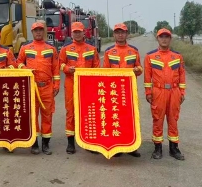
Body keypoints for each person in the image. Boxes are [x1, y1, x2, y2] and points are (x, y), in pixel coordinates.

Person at [16, 21, 60, 155]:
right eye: (36, 30)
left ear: (44, 31)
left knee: (47, 116)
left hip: (47, 87)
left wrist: (56, 85)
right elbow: (18, 62)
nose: (38, 32)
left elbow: (56, 68)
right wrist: (25, 68)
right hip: (32, 87)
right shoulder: (25, 48)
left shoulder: (51, 49)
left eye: (40, 30)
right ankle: (34, 143)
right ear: (32, 32)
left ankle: (45, 144)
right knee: (32, 116)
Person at [144, 28, 186, 160]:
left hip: (174, 91)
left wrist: (182, 92)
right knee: (158, 119)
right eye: (161, 37)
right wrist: (148, 92)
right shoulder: (150, 56)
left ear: (170, 39)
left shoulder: (177, 56)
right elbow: (147, 77)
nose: (164, 39)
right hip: (158, 92)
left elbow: (182, 75)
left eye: (166, 37)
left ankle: (174, 148)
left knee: (173, 119)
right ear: (157, 38)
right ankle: (158, 148)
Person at [59, 22, 100, 154]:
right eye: (75, 32)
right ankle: (71, 142)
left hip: (88, 85)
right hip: (71, 83)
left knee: (88, 112)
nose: (77, 34)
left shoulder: (92, 49)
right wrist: (67, 69)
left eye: (79, 32)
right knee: (71, 112)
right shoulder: (65, 49)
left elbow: (96, 67)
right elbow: (60, 64)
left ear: (84, 33)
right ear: (72, 34)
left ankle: (89, 142)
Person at [103, 23, 143, 158]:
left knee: (131, 118)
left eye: (123, 32)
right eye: (117, 32)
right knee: (116, 118)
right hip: (114, 91)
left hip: (130, 90)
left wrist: (137, 70)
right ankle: (117, 146)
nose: (120, 35)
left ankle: (132, 147)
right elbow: (105, 73)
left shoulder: (134, 51)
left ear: (127, 34)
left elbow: (140, 69)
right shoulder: (109, 51)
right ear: (114, 35)